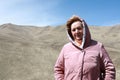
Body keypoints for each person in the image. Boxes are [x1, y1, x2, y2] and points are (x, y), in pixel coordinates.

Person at [54, 15, 116, 80]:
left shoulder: (98, 46)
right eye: (73, 30)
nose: (77, 31)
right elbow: (58, 69)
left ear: (84, 29)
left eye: (79, 28)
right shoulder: (66, 48)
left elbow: (109, 68)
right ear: (70, 33)